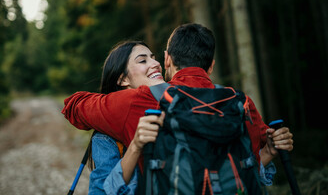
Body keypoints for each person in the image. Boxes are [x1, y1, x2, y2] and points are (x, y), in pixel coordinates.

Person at [63, 23, 293, 193]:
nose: (153, 64)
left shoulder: (137, 101)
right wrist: (268, 153)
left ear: (167, 60)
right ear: (211, 66)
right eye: (143, 60)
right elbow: (245, 170)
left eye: (154, 58)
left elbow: (72, 105)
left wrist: (112, 106)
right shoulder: (239, 102)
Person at [85, 40, 165, 194]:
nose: (156, 63)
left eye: (153, 57)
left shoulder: (176, 107)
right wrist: (135, 146)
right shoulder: (106, 136)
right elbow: (101, 192)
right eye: (143, 60)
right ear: (123, 79)